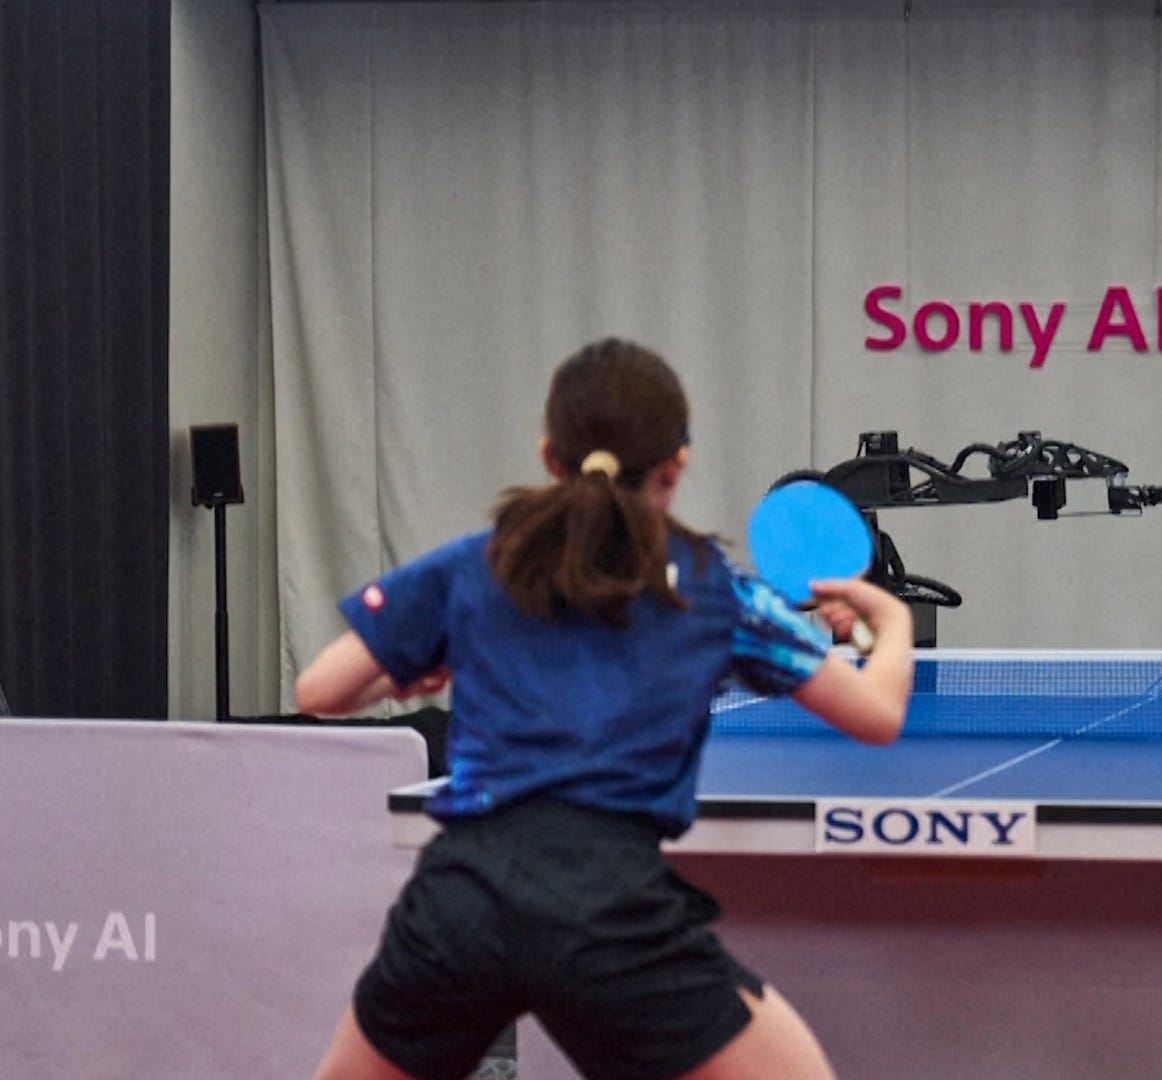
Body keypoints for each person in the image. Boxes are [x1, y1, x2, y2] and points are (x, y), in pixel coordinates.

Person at [294, 338, 913, 1080]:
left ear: (550, 455)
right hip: (612, 917)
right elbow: (877, 714)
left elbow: (320, 691)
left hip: (462, 904)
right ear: (675, 466)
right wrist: (891, 618)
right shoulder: (717, 591)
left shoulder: (478, 561)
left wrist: (402, 678)